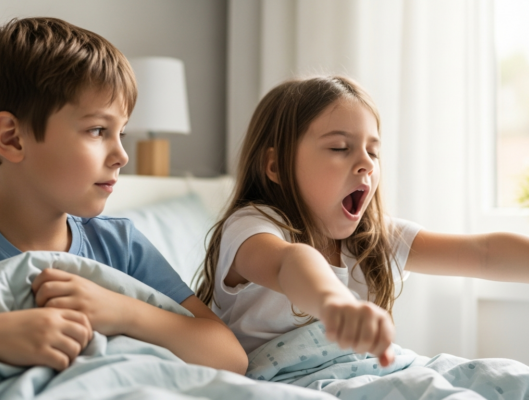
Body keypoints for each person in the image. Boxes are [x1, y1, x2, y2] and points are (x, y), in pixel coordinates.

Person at [0, 17, 247, 382]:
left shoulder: (121, 247)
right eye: (98, 130)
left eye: (121, 133)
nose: (122, 155)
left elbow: (229, 356)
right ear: (12, 138)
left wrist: (122, 311)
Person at [195, 75, 529, 368]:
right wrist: (335, 304)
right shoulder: (252, 225)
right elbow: (290, 262)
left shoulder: (371, 239)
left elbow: (483, 253)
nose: (366, 164)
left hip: (375, 372)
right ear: (276, 167)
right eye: (340, 147)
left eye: (373, 151)